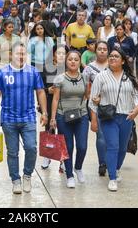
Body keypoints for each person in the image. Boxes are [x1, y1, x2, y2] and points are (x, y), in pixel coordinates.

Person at [0, 42, 48, 195]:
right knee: (13, 152)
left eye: (23, 54)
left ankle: (27, 175)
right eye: (17, 54)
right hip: (8, 119)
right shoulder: (2, 73)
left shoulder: (33, 72)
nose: (21, 57)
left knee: (31, 148)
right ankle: (15, 180)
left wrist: (45, 113)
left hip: (28, 118)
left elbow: (41, 92)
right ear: (11, 55)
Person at [89, 48, 138, 192]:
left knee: (123, 147)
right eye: (111, 56)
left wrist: (136, 109)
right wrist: (94, 120)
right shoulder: (101, 77)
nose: (112, 58)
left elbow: (137, 96)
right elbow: (92, 101)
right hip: (108, 118)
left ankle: (117, 168)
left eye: (116, 56)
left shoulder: (129, 77)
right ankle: (112, 178)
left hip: (126, 117)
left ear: (123, 61)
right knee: (113, 146)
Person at [49, 51, 89, 189]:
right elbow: (55, 99)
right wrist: (53, 118)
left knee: (82, 146)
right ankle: (70, 175)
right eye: (70, 59)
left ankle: (78, 168)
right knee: (68, 147)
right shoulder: (59, 79)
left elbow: (86, 95)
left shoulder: (84, 78)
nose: (73, 61)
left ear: (79, 62)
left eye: (76, 59)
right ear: (66, 61)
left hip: (81, 115)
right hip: (63, 115)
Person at [83, 41, 109, 177]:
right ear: (95, 51)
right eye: (100, 49)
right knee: (101, 134)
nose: (102, 51)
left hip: (113, 105)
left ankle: (112, 161)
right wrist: (90, 97)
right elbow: (83, 85)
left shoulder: (114, 66)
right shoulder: (89, 68)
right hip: (95, 106)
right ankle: (102, 163)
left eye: (105, 49)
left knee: (112, 135)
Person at [40, 45, 68, 171]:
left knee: (64, 132)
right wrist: (48, 90)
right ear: (54, 54)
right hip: (50, 102)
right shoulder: (46, 69)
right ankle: (48, 155)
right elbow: (40, 89)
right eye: (59, 53)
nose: (61, 55)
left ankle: (63, 159)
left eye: (64, 53)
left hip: (66, 104)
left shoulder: (70, 68)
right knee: (50, 129)